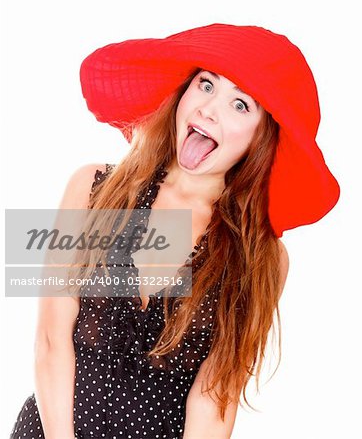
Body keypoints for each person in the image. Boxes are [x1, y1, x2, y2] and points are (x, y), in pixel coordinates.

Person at [10, 23, 340, 439]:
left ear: (261, 137)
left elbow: (213, 398)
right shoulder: (93, 188)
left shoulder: (260, 256)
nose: (209, 110)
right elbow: (50, 340)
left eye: (241, 105)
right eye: (206, 85)